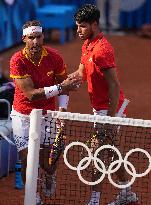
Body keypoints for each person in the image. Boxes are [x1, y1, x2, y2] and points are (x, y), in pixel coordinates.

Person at [69, 4, 138, 205]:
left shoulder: (102, 50)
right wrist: (60, 83)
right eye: (77, 26)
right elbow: (80, 74)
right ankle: (127, 194)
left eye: (82, 26)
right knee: (111, 152)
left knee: (96, 154)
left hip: (110, 108)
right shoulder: (87, 44)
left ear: (94, 24)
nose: (78, 31)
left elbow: (114, 86)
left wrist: (110, 117)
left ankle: (94, 200)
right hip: (100, 108)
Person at [10, 20, 81, 204]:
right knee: (27, 160)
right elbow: (31, 95)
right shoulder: (17, 60)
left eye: (38, 37)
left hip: (47, 115)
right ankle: (32, 197)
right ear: (24, 38)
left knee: (48, 163)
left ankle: (50, 175)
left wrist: (62, 112)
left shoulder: (55, 57)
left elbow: (65, 89)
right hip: (23, 115)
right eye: (31, 38)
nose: (35, 41)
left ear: (43, 37)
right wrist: (61, 86)